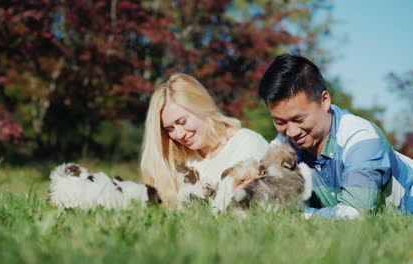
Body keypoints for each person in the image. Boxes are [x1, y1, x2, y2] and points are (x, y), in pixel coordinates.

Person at [258, 53, 413, 218]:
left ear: (324, 100)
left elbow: (355, 214)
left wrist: (296, 216)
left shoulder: (362, 140)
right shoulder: (281, 148)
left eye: (299, 119)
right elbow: (264, 205)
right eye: (280, 122)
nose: (291, 132)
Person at [140, 73, 269, 205]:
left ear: (201, 107)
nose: (179, 134)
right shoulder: (181, 162)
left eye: (182, 121)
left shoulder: (246, 143)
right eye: (170, 129)